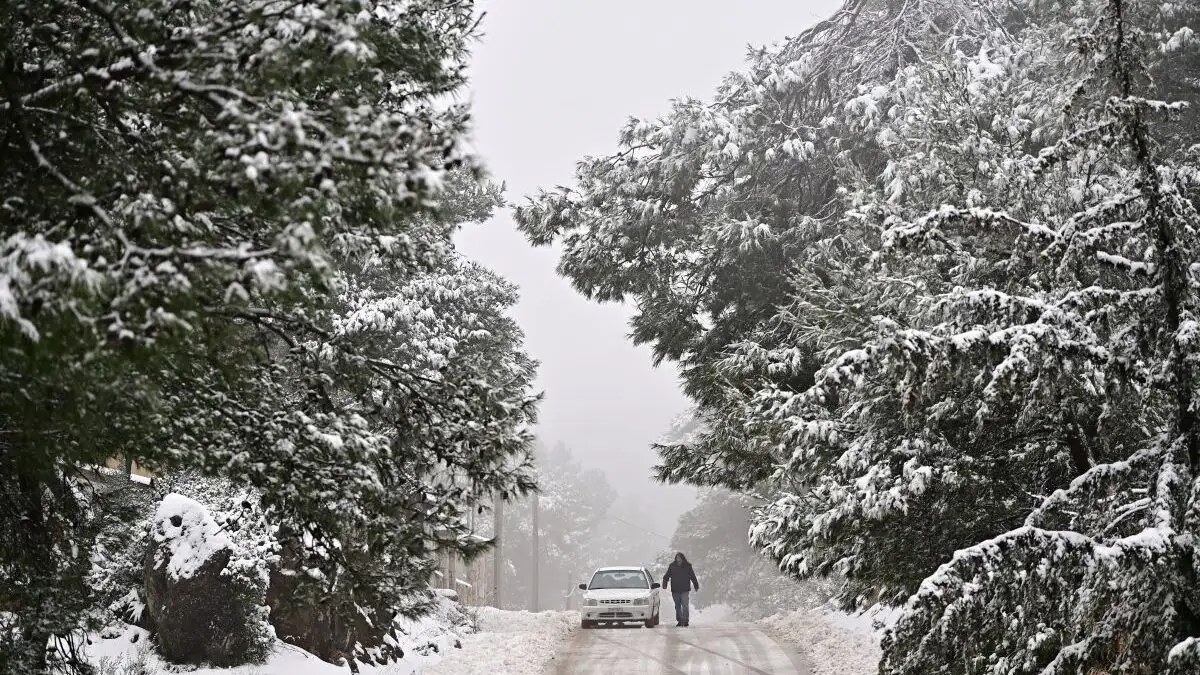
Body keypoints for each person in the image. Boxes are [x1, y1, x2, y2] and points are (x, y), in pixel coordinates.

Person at [662, 552, 699, 627]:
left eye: (679, 558)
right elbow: (666, 576)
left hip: (685, 589)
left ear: (682, 558)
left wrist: (696, 585)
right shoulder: (672, 566)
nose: (678, 559)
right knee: (677, 606)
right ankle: (680, 620)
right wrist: (664, 584)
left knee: (685, 605)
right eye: (677, 558)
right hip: (675, 590)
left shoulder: (688, 566)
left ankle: (685, 620)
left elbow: (692, 576)